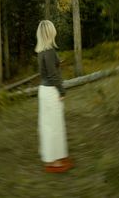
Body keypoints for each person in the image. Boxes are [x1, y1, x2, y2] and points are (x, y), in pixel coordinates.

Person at [35, 20, 73, 173]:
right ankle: (55, 162)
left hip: (44, 91)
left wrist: (58, 62)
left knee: (48, 126)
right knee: (54, 127)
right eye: (53, 29)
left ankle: (54, 157)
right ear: (50, 32)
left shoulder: (41, 51)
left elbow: (46, 71)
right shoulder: (49, 51)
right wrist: (62, 91)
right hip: (51, 91)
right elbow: (52, 75)